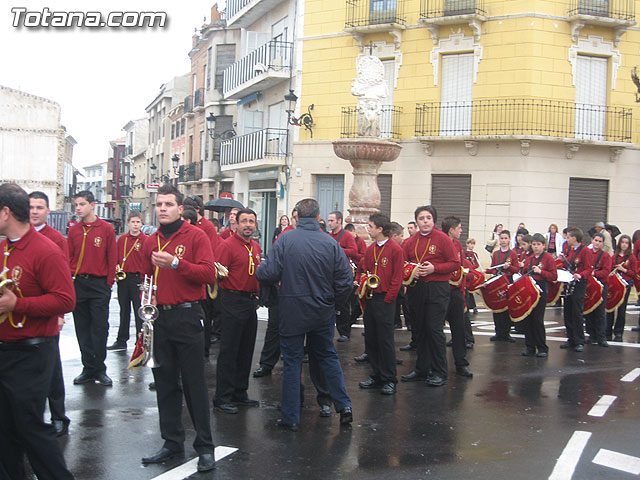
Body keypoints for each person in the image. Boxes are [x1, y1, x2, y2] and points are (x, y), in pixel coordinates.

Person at [256, 198, 353, 431]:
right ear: (319, 217)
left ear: (297, 216)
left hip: (292, 309)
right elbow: (346, 280)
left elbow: (268, 272)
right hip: (322, 309)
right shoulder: (330, 243)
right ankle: (344, 405)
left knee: (292, 362)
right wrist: (335, 305)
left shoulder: (285, 239)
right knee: (328, 357)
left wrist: (260, 268)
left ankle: (291, 417)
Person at [0, 183, 76, 479]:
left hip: (31, 351)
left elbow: (66, 299)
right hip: (5, 350)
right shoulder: (4, 247)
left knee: (30, 427)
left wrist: (18, 304)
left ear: (6, 212)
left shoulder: (46, 250)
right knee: (3, 429)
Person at [139, 184, 216, 473]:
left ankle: (205, 446)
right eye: (159, 204)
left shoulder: (195, 236)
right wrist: (146, 296)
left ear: (180, 209)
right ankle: (171, 441)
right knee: (166, 384)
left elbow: (208, 273)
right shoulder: (152, 240)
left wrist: (176, 263)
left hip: (187, 316)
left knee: (194, 384)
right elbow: (145, 277)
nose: (162, 209)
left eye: (168, 205)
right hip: (161, 318)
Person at [28, 191, 71, 437]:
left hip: (48, 312)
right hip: (22, 315)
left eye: (39, 207)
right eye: (31, 207)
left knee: (52, 367)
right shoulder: (16, 238)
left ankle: (58, 416)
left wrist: (60, 314)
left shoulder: (56, 239)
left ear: (47, 211)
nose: (34, 211)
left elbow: (62, 280)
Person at [401, 205, 458, 387]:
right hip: (416, 288)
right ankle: (421, 369)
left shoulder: (442, 239)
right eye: (421, 218)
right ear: (416, 222)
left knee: (434, 330)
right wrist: (411, 272)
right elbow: (402, 263)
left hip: (437, 288)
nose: (425, 221)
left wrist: (435, 268)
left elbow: (455, 263)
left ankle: (439, 371)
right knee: (419, 330)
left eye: (428, 218)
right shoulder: (410, 242)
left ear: (433, 221)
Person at [213, 208, 262, 415]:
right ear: (236, 224)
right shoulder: (227, 246)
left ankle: (240, 392)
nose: (248, 225)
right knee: (229, 351)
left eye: (252, 221)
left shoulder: (256, 246)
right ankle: (222, 396)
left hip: (250, 302)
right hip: (232, 300)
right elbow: (217, 275)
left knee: (246, 349)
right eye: (244, 221)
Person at [68, 190, 117, 386]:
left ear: (92, 205)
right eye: (76, 205)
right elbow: (69, 257)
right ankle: (87, 367)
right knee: (82, 328)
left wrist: (108, 283)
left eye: (81, 204)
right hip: (79, 283)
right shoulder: (74, 230)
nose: (78, 209)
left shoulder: (105, 229)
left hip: (99, 284)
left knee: (100, 328)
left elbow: (112, 258)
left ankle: (100, 368)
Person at [357, 214, 404, 395]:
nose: (368, 230)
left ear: (380, 229)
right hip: (371, 298)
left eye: (370, 226)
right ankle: (376, 374)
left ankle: (389, 378)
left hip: (385, 299)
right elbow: (366, 270)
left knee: (385, 340)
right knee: (371, 339)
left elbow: (397, 277)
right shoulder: (370, 249)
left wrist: (388, 298)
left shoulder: (395, 249)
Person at [254, 208, 298, 378]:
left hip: (299, 292)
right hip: (281, 290)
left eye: (296, 217)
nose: (295, 221)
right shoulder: (283, 236)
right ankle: (266, 364)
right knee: (274, 328)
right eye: (293, 217)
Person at [184, 195, 219, 357]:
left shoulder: (207, 227)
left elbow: (212, 252)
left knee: (203, 315)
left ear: (197, 210)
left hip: (202, 277)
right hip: (188, 276)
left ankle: (203, 349)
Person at [107, 211, 147, 352]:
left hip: (137, 279)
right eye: (133, 222)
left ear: (141, 224)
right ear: (128, 223)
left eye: (138, 222)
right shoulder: (122, 239)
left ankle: (140, 341)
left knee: (138, 312)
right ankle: (121, 340)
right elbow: (116, 256)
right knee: (124, 310)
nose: (135, 225)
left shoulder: (145, 240)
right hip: (123, 278)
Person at [441, 216, 473, 378]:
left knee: (459, 329)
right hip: (441, 290)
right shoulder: (440, 242)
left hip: (455, 292)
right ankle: (437, 366)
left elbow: (460, 267)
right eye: (459, 228)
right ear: (451, 230)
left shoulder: (458, 244)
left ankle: (461, 363)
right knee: (436, 329)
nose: (461, 231)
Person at [327, 210, 361, 342]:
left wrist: (338, 249)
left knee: (344, 304)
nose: (329, 223)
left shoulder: (346, 235)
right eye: (329, 220)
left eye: (332, 220)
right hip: (331, 272)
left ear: (339, 221)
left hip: (342, 273)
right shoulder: (329, 235)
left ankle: (344, 332)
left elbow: (354, 251)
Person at [521, 234, 557, 357]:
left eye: (539, 245)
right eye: (534, 244)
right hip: (529, 289)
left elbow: (553, 276)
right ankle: (529, 346)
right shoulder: (530, 258)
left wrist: (541, 272)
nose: (536, 247)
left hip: (541, 289)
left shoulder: (548, 258)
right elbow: (524, 272)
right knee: (528, 319)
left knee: (537, 319)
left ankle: (542, 347)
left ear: (543, 245)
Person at [560, 228, 592, 352]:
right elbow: (570, 265)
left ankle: (579, 340)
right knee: (567, 310)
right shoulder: (570, 249)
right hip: (569, 281)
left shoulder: (585, 250)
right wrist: (564, 260)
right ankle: (571, 338)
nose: (567, 239)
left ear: (574, 238)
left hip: (579, 283)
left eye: (568, 237)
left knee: (576, 312)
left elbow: (588, 268)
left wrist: (581, 275)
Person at [485, 229, 519, 342]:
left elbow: (516, 269)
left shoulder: (512, 253)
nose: (503, 240)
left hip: (507, 281)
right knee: (497, 306)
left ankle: (506, 333)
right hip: (497, 282)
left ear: (509, 239)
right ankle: (498, 332)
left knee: (506, 307)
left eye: (505, 238)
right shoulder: (496, 254)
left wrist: (508, 267)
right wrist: (488, 271)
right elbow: (493, 268)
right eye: (502, 238)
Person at [606, 234, 636, 342]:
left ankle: (618, 331)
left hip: (625, 285)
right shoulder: (614, 257)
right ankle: (607, 330)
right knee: (610, 307)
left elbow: (634, 273)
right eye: (622, 242)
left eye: (626, 243)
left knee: (622, 309)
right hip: (614, 285)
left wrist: (623, 270)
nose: (624, 245)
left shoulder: (631, 258)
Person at [584, 233, 611, 346]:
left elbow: (606, 271)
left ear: (603, 243)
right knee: (589, 310)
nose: (597, 243)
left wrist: (594, 273)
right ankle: (591, 335)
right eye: (596, 240)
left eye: (600, 241)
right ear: (592, 240)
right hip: (589, 285)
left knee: (600, 311)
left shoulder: (606, 256)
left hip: (600, 285)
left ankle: (601, 336)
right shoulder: (587, 253)